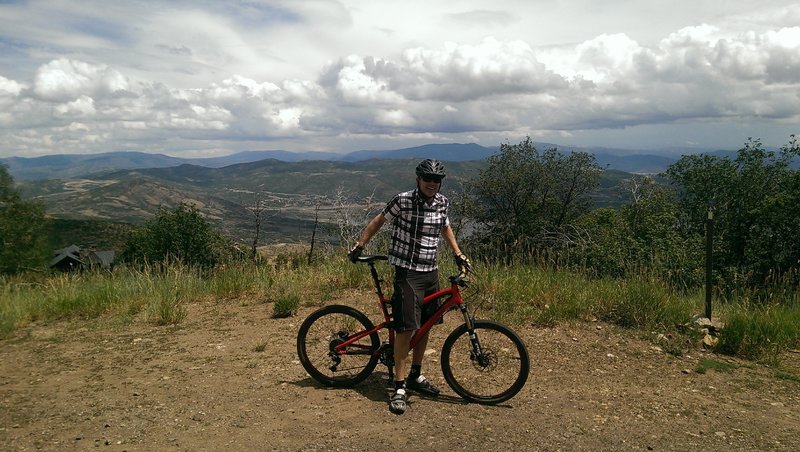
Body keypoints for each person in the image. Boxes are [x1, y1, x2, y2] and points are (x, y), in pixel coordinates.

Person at [348, 158, 470, 415]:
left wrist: (458, 254)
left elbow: (445, 228)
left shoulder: (443, 202)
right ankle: (399, 386)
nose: (432, 184)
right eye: (428, 179)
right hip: (408, 272)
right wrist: (360, 245)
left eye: (436, 180)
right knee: (406, 329)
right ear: (419, 179)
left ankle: (416, 374)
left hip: (431, 272)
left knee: (426, 325)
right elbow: (379, 221)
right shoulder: (403, 200)